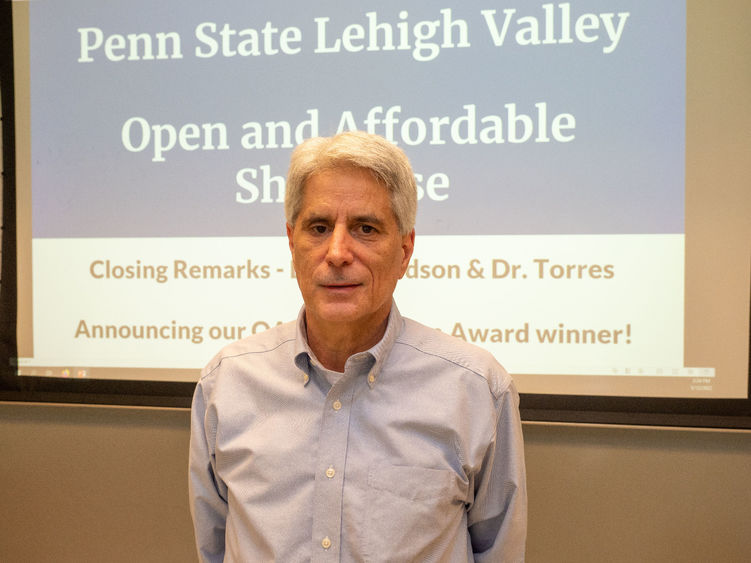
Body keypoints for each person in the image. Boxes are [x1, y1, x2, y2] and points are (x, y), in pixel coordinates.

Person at [189, 131, 527, 562]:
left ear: (405, 251)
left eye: (366, 228)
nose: (336, 252)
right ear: (292, 243)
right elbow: (212, 548)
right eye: (319, 227)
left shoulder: (476, 389)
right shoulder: (227, 383)